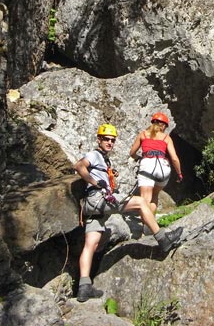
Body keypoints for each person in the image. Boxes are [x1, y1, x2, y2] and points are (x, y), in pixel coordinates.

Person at [73, 123, 182, 302]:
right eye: (106, 139)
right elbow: (79, 166)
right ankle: (163, 239)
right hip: (98, 199)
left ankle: (84, 287)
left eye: (112, 140)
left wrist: (108, 176)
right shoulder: (93, 154)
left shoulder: (103, 158)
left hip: (91, 205)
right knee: (140, 202)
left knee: (91, 243)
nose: (110, 142)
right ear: (98, 139)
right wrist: (94, 182)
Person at [129, 113, 183, 217]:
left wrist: (138, 158)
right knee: (155, 195)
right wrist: (179, 173)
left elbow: (132, 153)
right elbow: (174, 158)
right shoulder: (166, 138)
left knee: (145, 199)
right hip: (163, 167)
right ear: (163, 126)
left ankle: (146, 225)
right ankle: (151, 221)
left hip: (148, 164)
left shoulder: (143, 134)